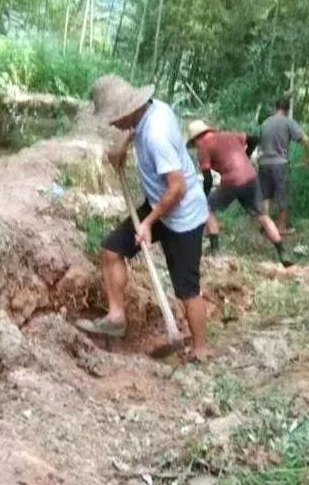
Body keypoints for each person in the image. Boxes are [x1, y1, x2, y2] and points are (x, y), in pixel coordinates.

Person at [78, 75, 211, 360]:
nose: (113, 124)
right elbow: (135, 127)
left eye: (115, 119)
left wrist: (149, 223)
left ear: (128, 109)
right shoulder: (152, 109)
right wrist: (122, 145)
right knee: (112, 249)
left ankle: (200, 349)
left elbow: (178, 187)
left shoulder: (156, 135)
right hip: (161, 203)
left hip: (184, 214)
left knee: (187, 289)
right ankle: (116, 317)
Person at [186, 120, 291, 266]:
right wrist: (246, 155)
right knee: (263, 216)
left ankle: (215, 250)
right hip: (251, 176)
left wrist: (204, 197)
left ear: (196, 138)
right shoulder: (229, 134)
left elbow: (208, 179)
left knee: (207, 208)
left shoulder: (203, 146)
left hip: (232, 181)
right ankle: (282, 252)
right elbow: (253, 139)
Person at [257, 98, 309, 236]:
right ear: (287, 110)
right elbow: (306, 139)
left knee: (266, 196)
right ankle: (281, 228)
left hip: (263, 163)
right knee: (283, 195)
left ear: (275, 108)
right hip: (279, 165)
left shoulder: (265, 123)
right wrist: (308, 157)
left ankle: (265, 226)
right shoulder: (287, 122)